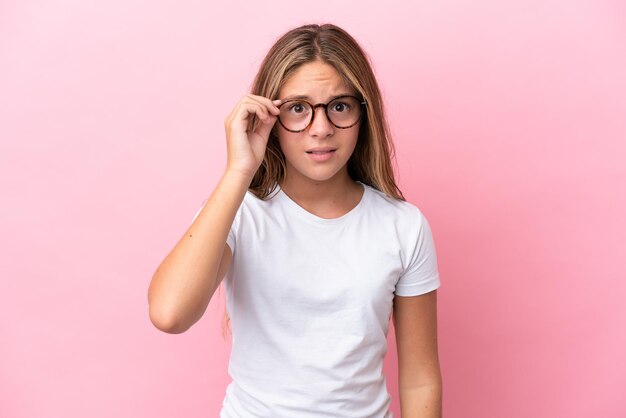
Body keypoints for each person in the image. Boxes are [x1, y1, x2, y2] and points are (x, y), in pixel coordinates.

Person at [148, 23, 442, 418]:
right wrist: (239, 171)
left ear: (363, 112)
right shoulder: (239, 213)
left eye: (339, 106)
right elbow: (170, 313)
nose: (321, 129)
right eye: (298, 109)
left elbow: (420, 377)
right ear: (269, 115)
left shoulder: (403, 227)